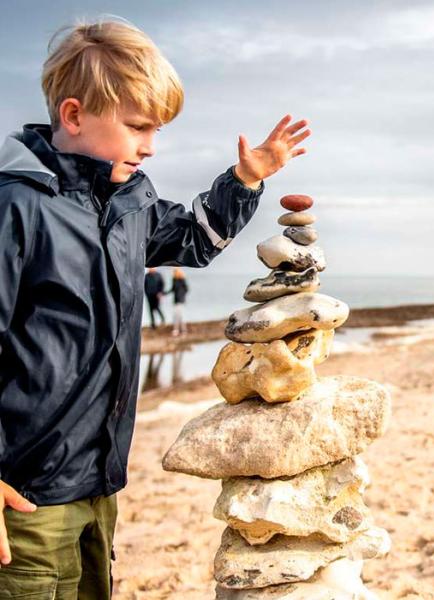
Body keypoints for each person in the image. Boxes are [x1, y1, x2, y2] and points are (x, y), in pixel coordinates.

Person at [0, 17, 310, 597]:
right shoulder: (17, 207)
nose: (150, 145)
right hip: (22, 492)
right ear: (73, 116)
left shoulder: (129, 204)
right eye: (138, 126)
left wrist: (244, 179)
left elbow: (194, 239)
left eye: (157, 129)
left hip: (96, 483)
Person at [169, 267, 189, 336]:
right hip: (176, 300)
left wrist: (181, 295)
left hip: (181, 300)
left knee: (181, 316)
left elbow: (186, 289)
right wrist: (164, 293)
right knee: (175, 315)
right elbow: (172, 289)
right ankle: (176, 329)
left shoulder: (182, 279)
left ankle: (183, 330)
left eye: (175, 271)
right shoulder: (174, 279)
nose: (174, 273)